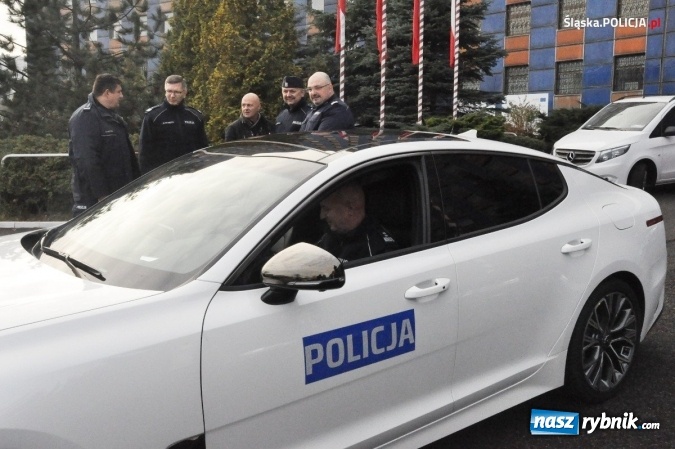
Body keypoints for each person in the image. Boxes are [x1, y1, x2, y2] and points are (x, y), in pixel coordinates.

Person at [68, 73, 140, 217]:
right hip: (95, 200)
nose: (122, 96)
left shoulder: (113, 118)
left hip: (118, 194)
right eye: (119, 91)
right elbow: (87, 160)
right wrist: (102, 194)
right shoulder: (85, 118)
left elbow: (127, 157)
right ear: (107, 93)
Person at [139, 75, 208, 174]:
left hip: (190, 173)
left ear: (184, 92)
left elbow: (203, 148)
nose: (172, 95)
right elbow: (144, 153)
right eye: (169, 91)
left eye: (176, 92)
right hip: (163, 176)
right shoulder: (153, 117)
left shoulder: (194, 116)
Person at [317, 183, 397, 262]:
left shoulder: (378, 248)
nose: (322, 216)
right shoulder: (329, 236)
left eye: (326, 209)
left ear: (350, 208)